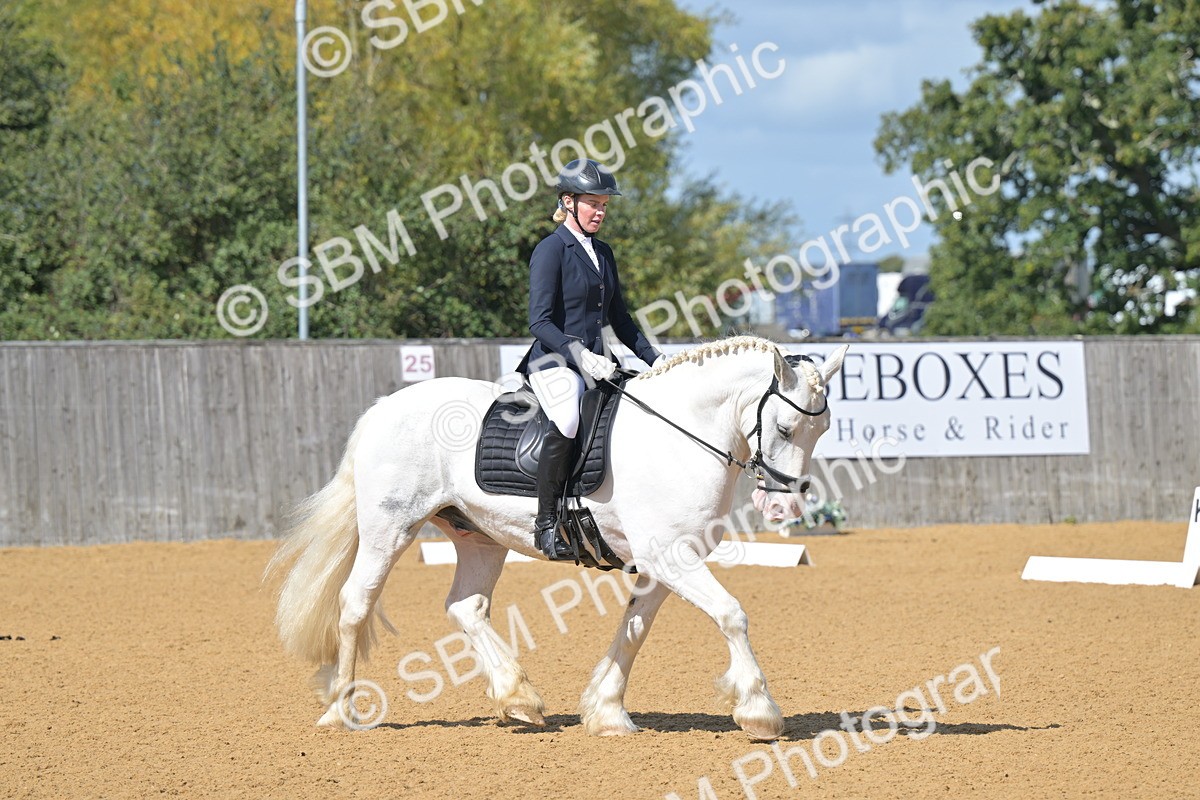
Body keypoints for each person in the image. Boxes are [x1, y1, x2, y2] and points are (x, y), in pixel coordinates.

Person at [519, 159, 665, 560]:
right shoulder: (551, 249)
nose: (600, 212)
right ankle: (546, 523)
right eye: (592, 204)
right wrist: (579, 353)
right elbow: (540, 321)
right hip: (552, 362)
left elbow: (620, 318)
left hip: (598, 360)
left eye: (604, 205)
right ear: (568, 202)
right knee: (567, 419)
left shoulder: (603, 252)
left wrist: (657, 360)